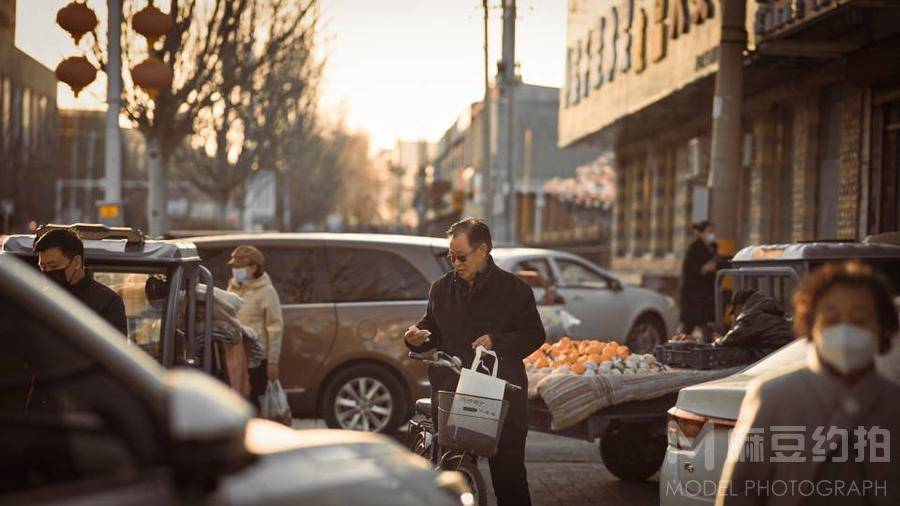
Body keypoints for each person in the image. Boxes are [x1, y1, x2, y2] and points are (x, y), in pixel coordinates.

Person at [716, 262, 900, 506]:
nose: (845, 330)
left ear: (882, 328)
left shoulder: (892, 404)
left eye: (859, 319)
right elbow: (739, 494)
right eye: (832, 318)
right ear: (811, 324)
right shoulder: (774, 397)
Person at [404, 217, 545, 506]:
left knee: (510, 480)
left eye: (461, 256)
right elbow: (431, 328)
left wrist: (497, 340)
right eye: (450, 256)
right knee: (452, 478)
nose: (455, 262)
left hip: (502, 396)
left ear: (483, 251)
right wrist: (416, 337)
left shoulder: (514, 290)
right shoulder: (441, 289)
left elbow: (534, 335)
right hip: (454, 393)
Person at [33, 228, 127, 335]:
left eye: (54, 266)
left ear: (77, 262)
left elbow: (114, 348)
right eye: (43, 267)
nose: (48, 272)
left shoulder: (108, 302)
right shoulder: (39, 299)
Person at [227, 245, 284, 409]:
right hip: (237, 356)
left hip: (257, 359)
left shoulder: (267, 292)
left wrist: (273, 362)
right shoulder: (233, 288)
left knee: (255, 403)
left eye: (239, 267)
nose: (235, 270)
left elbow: (275, 329)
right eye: (234, 267)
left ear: (254, 267)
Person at [712, 289, 794, 360]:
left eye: (734, 311)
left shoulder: (751, 316)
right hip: (785, 354)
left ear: (740, 306)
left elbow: (732, 339)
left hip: (769, 357)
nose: (735, 315)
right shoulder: (768, 311)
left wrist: (717, 341)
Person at [680, 220, 720, 339]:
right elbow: (688, 269)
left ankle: (707, 351)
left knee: (707, 328)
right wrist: (704, 269)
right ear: (701, 233)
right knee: (688, 328)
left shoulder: (713, 247)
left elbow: (719, 263)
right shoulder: (694, 248)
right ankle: (677, 348)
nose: (712, 235)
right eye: (709, 232)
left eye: (713, 232)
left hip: (708, 295)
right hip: (693, 296)